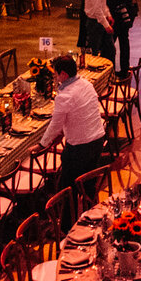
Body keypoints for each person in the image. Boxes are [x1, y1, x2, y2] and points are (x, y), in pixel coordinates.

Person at [37, 54, 106, 195]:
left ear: (63, 74)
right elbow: (78, 113)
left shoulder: (65, 96)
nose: (55, 77)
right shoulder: (87, 84)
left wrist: (42, 145)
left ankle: (69, 217)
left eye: (56, 74)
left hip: (80, 147)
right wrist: (62, 132)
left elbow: (55, 124)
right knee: (89, 185)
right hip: (98, 140)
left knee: (68, 190)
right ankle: (89, 213)